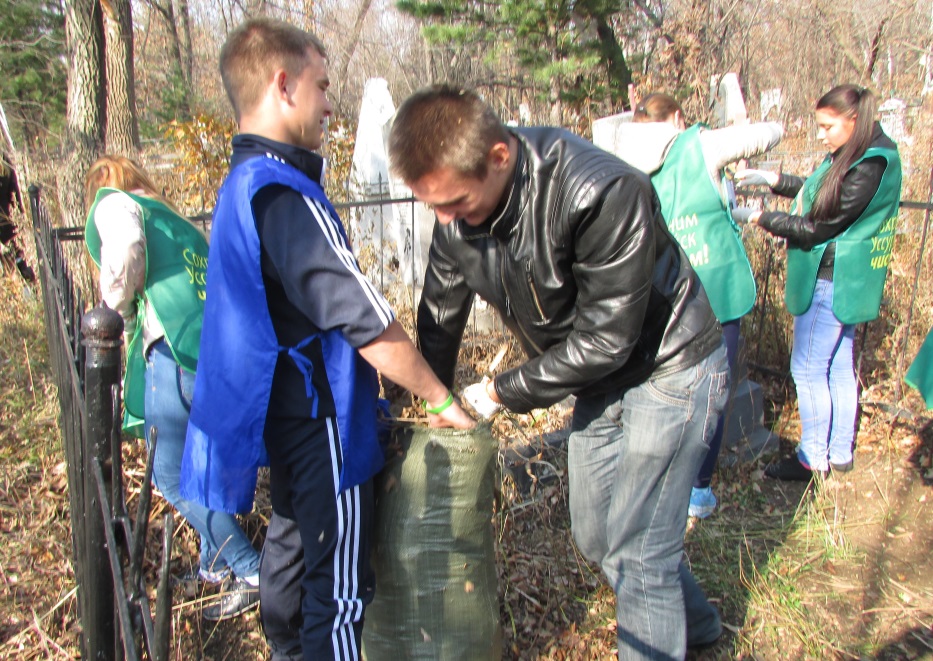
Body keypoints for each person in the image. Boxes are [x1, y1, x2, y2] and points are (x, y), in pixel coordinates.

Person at [389, 85, 730, 660]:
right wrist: (432, 396)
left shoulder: (599, 191)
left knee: (638, 553)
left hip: (669, 365)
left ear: (499, 156)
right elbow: (441, 313)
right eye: (433, 207)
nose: (445, 221)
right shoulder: (456, 221)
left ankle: (660, 636)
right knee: (598, 536)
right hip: (598, 378)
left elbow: (607, 339)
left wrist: (499, 391)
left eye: (455, 203)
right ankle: (697, 626)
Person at [180, 19, 473, 661]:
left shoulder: (239, 185)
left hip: (282, 426)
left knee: (288, 575)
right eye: (322, 85)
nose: (330, 104)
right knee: (338, 600)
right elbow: (365, 320)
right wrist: (440, 397)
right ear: (283, 85)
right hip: (324, 430)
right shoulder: (284, 193)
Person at [83, 155, 262, 621]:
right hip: (214, 351)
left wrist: (116, 311)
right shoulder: (174, 219)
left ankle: (252, 572)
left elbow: (124, 254)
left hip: (173, 350)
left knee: (168, 474)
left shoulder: (114, 202)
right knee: (201, 465)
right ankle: (214, 566)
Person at [607, 92, 783, 518]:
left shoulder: (618, 157)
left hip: (662, 292)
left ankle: (654, 482)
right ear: (679, 117)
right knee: (713, 390)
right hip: (716, 287)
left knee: (658, 385)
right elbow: (769, 134)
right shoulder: (697, 144)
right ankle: (698, 490)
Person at [734, 84, 902, 480]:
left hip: (832, 279)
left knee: (808, 369)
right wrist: (771, 178)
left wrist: (760, 218)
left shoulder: (869, 165)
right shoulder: (866, 153)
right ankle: (840, 450)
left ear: (854, 120)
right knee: (839, 364)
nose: (821, 135)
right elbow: (818, 189)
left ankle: (812, 458)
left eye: (828, 126)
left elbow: (819, 225)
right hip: (852, 279)